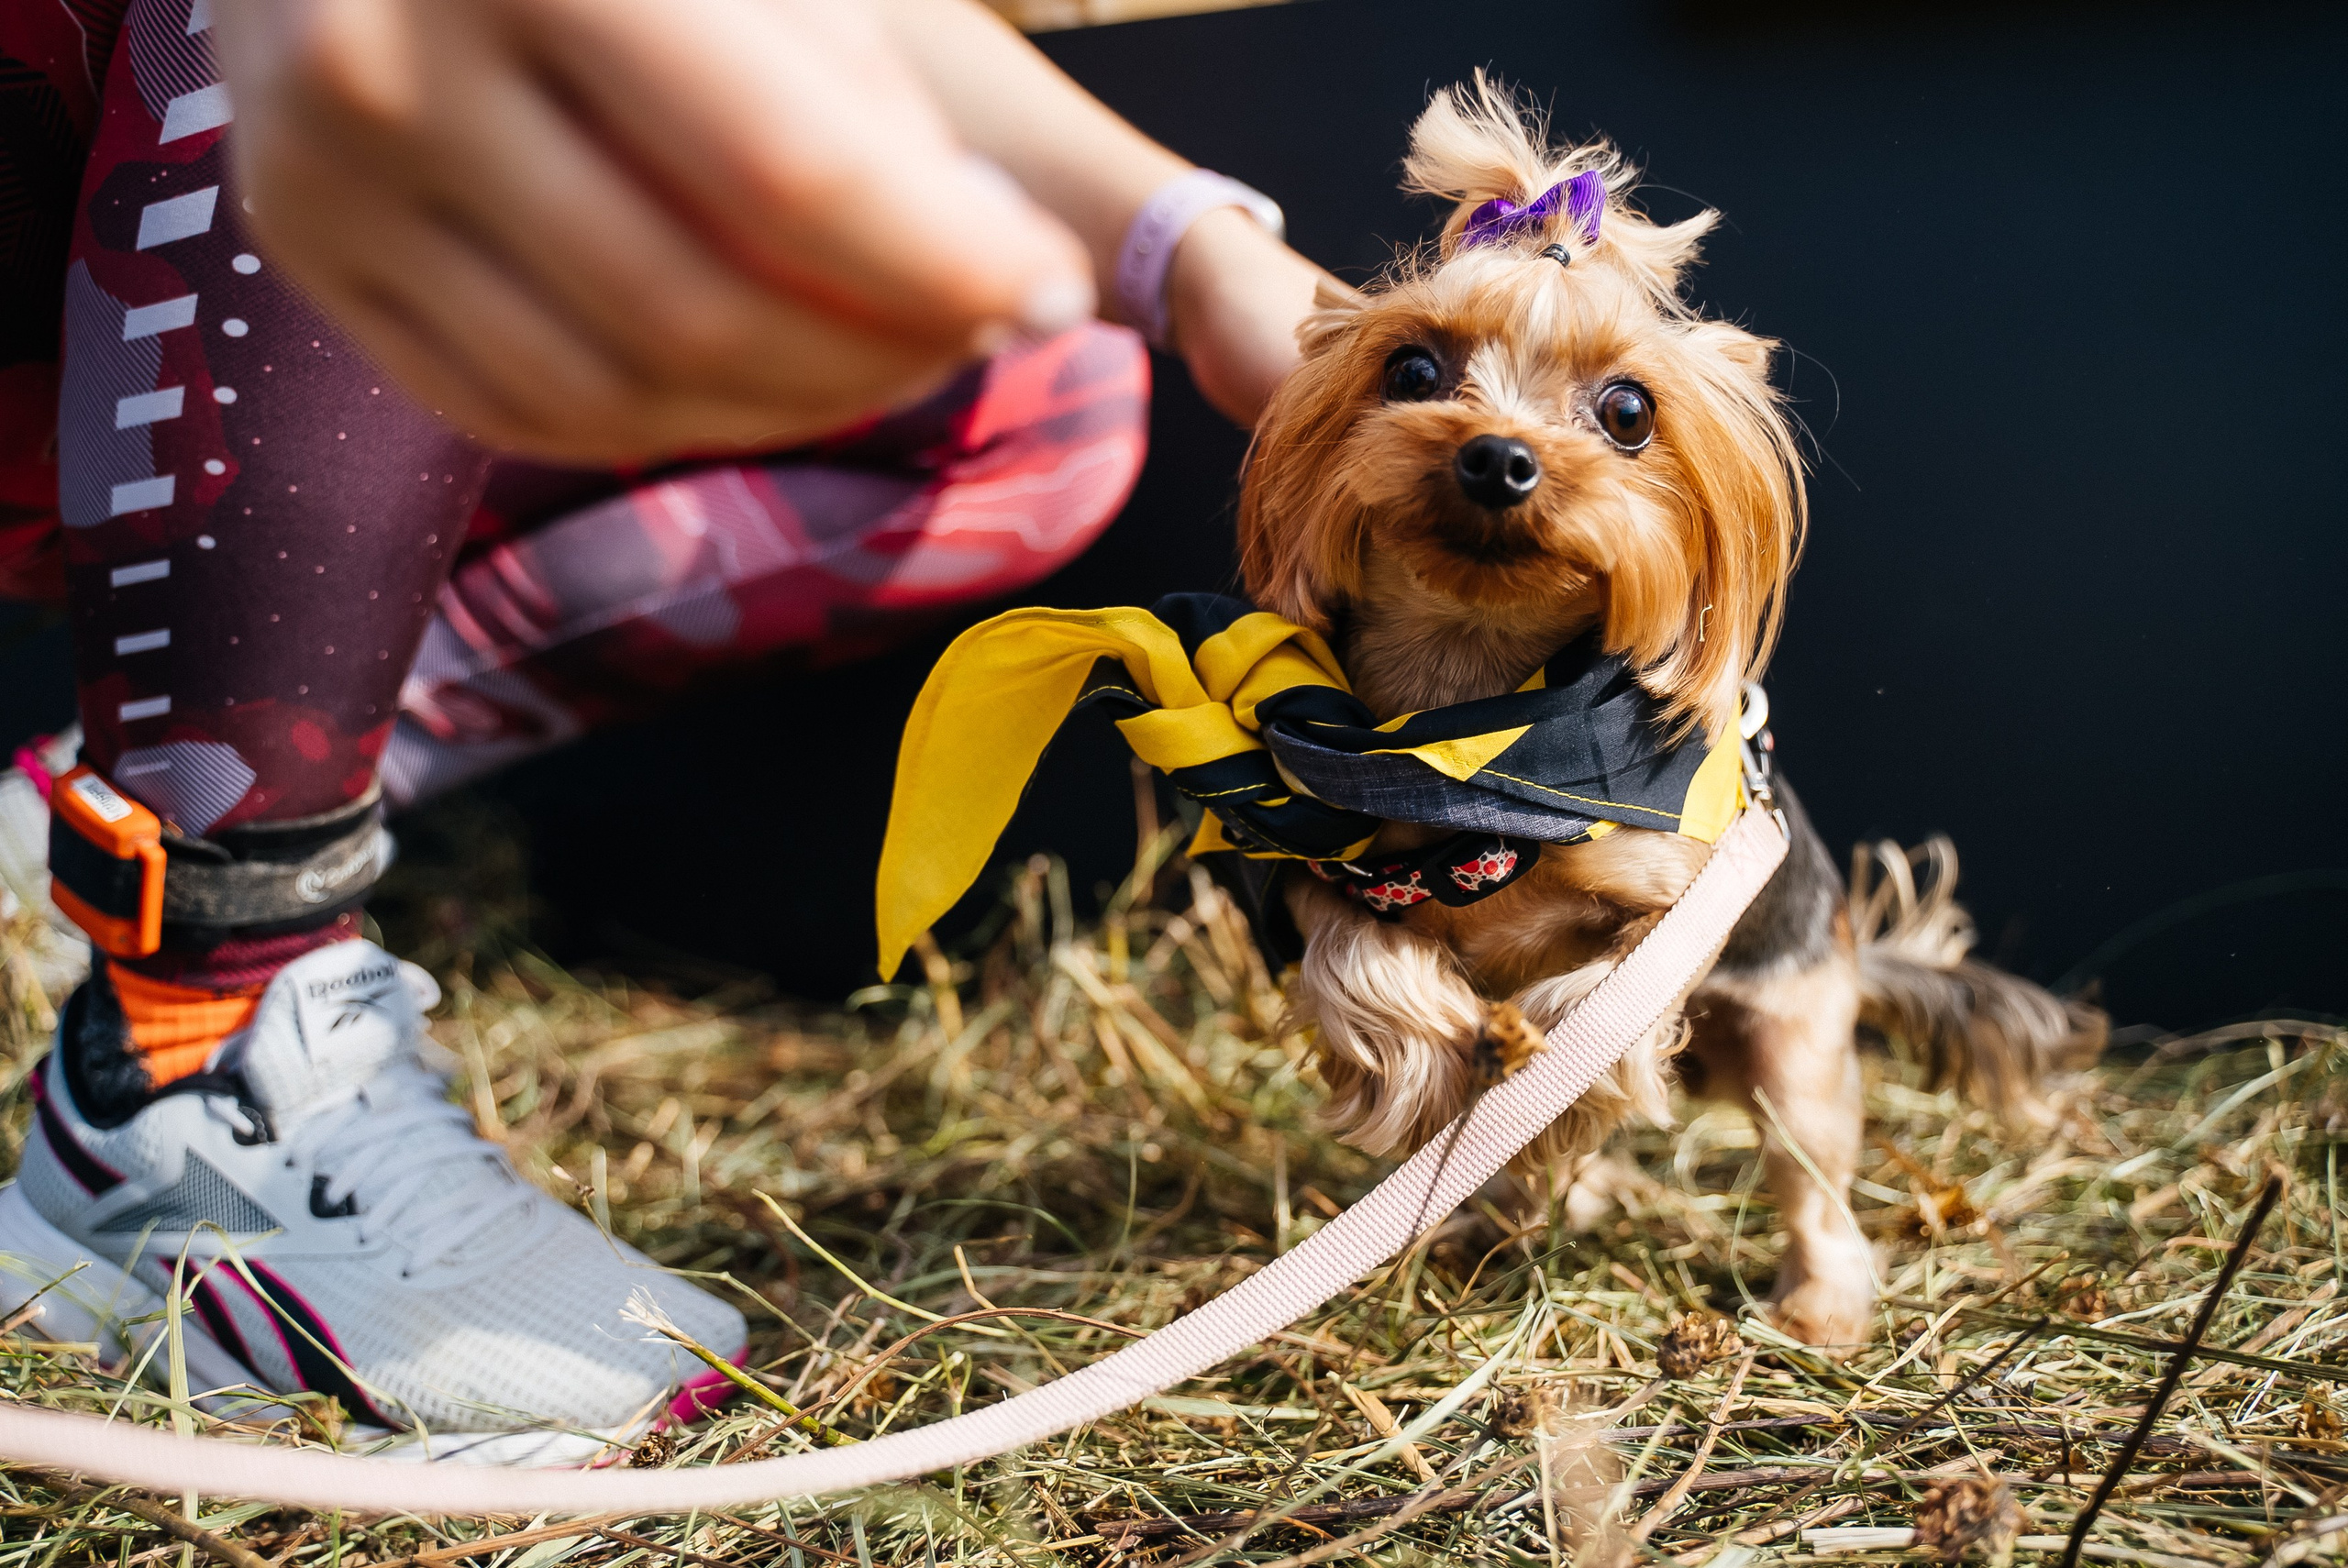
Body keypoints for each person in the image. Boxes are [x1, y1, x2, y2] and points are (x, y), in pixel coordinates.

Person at [0, 0, 1326, 1461]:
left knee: (1024, 397)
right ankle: (190, 1056)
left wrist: (1195, 251)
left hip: (200, 310)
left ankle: (168, 787)